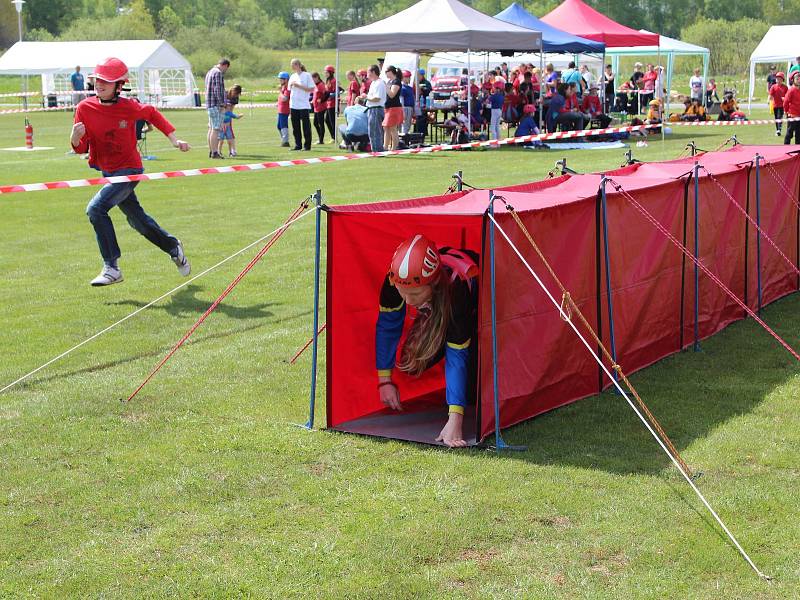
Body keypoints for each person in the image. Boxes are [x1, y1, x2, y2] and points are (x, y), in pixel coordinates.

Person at [69, 57, 191, 287]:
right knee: (138, 220)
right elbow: (80, 148)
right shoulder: (84, 108)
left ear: (119, 85)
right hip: (109, 172)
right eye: (97, 80)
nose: (100, 84)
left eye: (106, 81)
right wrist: (74, 137)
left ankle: (111, 267)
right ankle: (173, 246)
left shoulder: (129, 106)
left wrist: (175, 140)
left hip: (130, 169)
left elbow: (152, 114)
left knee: (96, 209)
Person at [376, 234, 479, 448]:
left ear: (433, 285)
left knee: (471, 390)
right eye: (402, 293)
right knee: (411, 361)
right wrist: (384, 380)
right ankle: (435, 323)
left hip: (477, 294)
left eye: (414, 294)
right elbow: (388, 326)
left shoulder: (455, 290)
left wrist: (455, 417)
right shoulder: (393, 281)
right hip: (439, 305)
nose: (408, 300)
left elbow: (456, 355)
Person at [204, 58, 230, 159]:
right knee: (216, 129)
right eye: (226, 69)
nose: (225, 71)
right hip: (216, 105)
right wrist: (222, 104)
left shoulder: (210, 72)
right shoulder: (218, 73)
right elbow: (217, 90)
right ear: (225, 65)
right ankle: (215, 152)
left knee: (211, 128)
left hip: (209, 104)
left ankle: (211, 151)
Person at [288, 58, 314, 151]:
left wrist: (299, 86)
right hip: (293, 104)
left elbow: (311, 89)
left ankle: (307, 146)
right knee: (295, 126)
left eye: (293, 64)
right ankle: (297, 145)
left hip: (303, 104)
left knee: (306, 126)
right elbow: (289, 89)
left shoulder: (306, 75)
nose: (291, 66)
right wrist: (291, 85)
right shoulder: (292, 76)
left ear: (298, 65)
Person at [364, 64, 386, 152]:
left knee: (375, 131)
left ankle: (377, 150)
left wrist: (366, 97)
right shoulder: (374, 83)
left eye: (368, 72)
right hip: (371, 108)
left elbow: (377, 98)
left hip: (376, 109)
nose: (367, 75)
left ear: (373, 72)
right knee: (372, 131)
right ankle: (375, 149)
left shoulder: (379, 83)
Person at [383, 65, 403, 151]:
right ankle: (385, 146)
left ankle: (394, 148)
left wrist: (386, 86)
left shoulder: (396, 82)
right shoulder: (390, 82)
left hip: (394, 107)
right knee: (386, 127)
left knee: (393, 128)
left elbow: (392, 94)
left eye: (386, 71)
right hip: (388, 107)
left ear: (391, 72)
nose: (385, 74)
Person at [310, 72, 328, 144]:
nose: (312, 81)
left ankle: (321, 140)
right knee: (315, 123)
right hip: (316, 107)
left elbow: (327, 94)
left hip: (321, 107)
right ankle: (320, 138)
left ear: (317, 77)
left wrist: (321, 100)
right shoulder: (316, 85)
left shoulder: (321, 85)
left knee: (320, 123)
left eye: (313, 79)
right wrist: (313, 100)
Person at [783, 72, 800, 145]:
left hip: (799, 116)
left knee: (799, 135)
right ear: (793, 80)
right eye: (797, 79)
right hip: (792, 116)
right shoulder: (791, 90)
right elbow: (786, 102)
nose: (799, 80)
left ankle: (798, 151)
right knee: (789, 133)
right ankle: (786, 148)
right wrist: (786, 111)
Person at [769, 72, 788, 137]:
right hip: (775, 105)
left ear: (782, 80)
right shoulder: (773, 87)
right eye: (777, 79)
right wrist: (769, 100)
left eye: (780, 79)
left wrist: (784, 98)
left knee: (780, 117)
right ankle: (777, 130)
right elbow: (770, 95)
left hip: (782, 105)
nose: (778, 80)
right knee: (776, 117)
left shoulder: (785, 87)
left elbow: (788, 96)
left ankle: (779, 129)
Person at [414, 69, 432, 136]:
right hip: (416, 104)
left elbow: (429, 93)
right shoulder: (415, 82)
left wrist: (422, 89)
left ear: (422, 75)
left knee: (422, 120)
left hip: (424, 105)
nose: (417, 77)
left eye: (418, 75)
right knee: (417, 121)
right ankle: (416, 135)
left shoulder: (427, 83)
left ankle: (422, 135)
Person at [323, 65, 337, 142]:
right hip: (328, 104)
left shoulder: (333, 81)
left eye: (326, 72)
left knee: (332, 121)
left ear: (331, 73)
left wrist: (328, 95)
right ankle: (333, 136)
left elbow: (336, 93)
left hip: (333, 104)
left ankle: (334, 137)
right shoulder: (327, 81)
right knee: (327, 120)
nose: (325, 73)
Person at [276, 71, 290, 147]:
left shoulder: (287, 88)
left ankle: (285, 141)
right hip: (281, 109)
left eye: (281, 79)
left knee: (283, 125)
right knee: (279, 126)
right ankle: (284, 140)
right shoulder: (283, 87)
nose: (280, 80)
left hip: (284, 110)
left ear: (286, 80)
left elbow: (285, 98)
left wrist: (280, 91)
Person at [400, 70, 415, 135]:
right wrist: (402, 110)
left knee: (408, 124)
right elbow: (401, 100)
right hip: (405, 108)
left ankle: (405, 137)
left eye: (409, 77)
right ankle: (403, 138)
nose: (409, 78)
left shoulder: (409, 88)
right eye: (407, 77)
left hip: (410, 108)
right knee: (404, 125)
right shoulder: (402, 88)